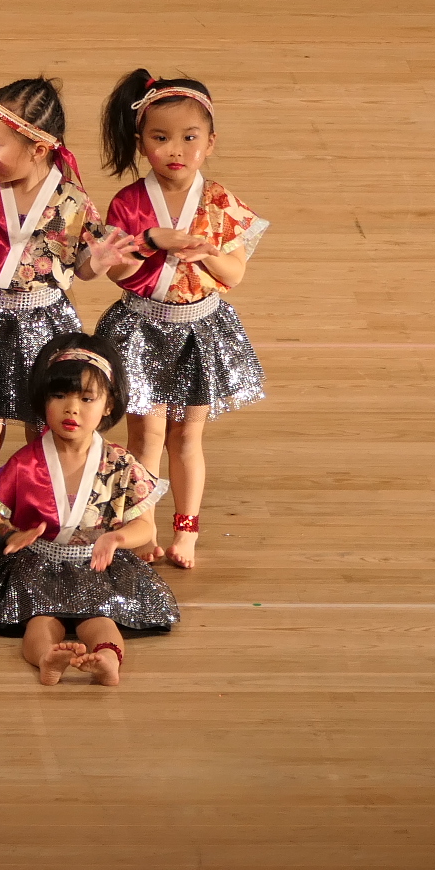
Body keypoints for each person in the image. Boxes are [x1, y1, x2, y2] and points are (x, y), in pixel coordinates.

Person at [0, 78, 136, 565]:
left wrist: (97, 264)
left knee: (49, 431)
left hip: (46, 326)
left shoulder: (72, 201)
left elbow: (79, 267)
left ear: (38, 148)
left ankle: (45, 530)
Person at [91, 69, 269, 570]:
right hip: (140, 328)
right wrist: (151, 242)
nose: (176, 149)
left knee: (187, 436)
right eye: (160, 138)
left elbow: (235, 273)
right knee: (144, 437)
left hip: (200, 329)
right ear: (141, 144)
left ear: (210, 143)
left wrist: (207, 252)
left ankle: (186, 529)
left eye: (190, 138)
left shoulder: (220, 202)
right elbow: (119, 273)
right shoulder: (128, 202)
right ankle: (142, 525)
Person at [0, 339, 178, 684]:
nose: (71, 409)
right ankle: (47, 658)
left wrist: (116, 538)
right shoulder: (26, 461)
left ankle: (107, 660)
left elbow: (145, 527)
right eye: (59, 396)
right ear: (44, 402)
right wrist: (7, 535)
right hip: (36, 562)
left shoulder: (121, 463)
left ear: (108, 405)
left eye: (87, 399)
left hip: (97, 564)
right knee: (40, 620)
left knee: (100, 619)